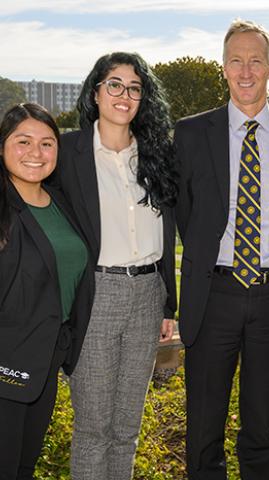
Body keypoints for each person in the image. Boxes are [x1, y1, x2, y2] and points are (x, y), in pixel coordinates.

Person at [175, 19, 269, 480]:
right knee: (203, 427)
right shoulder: (192, 134)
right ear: (223, 67)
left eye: (255, 60)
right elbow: (183, 212)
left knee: (260, 427)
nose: (245, 70)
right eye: (236, 60)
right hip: (213, 293)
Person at [55, 52, 177, 480]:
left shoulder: (156, 157)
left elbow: (167, 235)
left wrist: (168, 306)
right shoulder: (67, 152)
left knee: (126, 429)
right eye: (115, 84)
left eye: (135, 87)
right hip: (96, 295)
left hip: (148, 296)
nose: (124, 95)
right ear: (96, 91)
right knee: (93, 429)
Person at [0, 103, 94, 480]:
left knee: (24, 466)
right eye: (23, 141)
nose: (35, 154)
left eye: (47, 143)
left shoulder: (60, 202)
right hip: (6, 362)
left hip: (45, 360)